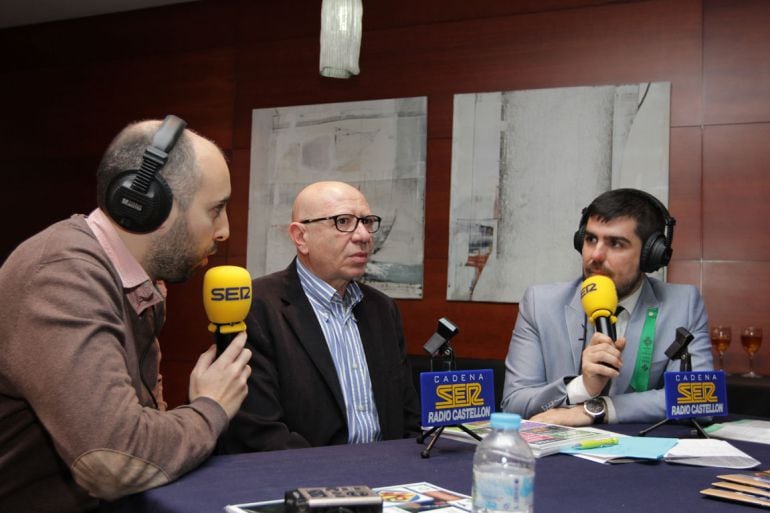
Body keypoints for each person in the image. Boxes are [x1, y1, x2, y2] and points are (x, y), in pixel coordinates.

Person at [0, 116, 252, 513]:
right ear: (146, 203)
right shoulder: (62, 275)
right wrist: (211, 406)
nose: (224, 231)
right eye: (216, 209)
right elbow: (114, 460)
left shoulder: (134, 280)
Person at [219, 181, 421, 452]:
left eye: (367, 221)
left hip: (390, 480)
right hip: (303, 481)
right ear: (301, 237)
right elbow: (258, 431)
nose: (363, 235)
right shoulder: (256, 307)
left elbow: (407, 416)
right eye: (343, 221)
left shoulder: (382, 308)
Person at [501, 188, 713, 426]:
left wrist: (600, 409)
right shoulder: (540, 304)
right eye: (591, 239)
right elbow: (514, 402)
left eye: (616, 244)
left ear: (649, 255)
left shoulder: (682, 305)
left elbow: (699, 400)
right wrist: (582, 387)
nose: (596, 255)